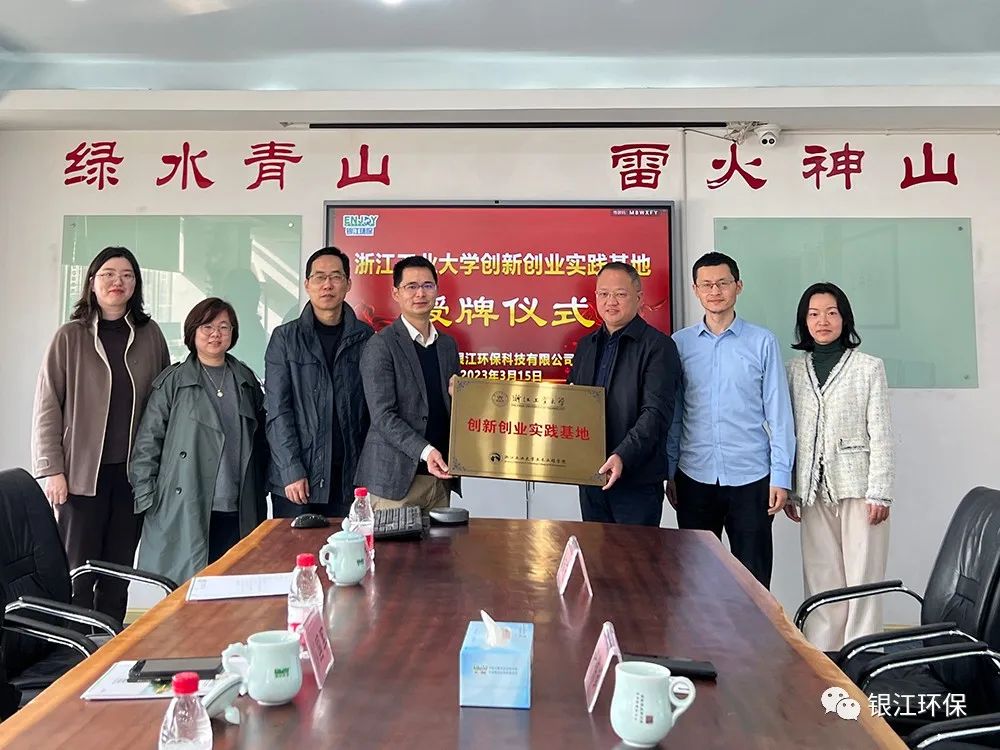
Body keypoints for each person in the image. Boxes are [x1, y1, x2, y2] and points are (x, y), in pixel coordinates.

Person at [31, 246, 171, 621]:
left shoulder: (150, 336)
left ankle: (110, 645)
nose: (117, 282)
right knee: (77, 573)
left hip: (131, 477)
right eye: (108, 274)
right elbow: (47, 405)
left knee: (118, 574)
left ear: (136, 284)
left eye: (126, 275)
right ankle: (71, 647)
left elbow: (164, 405)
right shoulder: (70, 337)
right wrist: (52, 469)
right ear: (92, 282)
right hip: (79, 478)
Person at [666, 252, 794, 588]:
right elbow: (676, 414)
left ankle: (753, 628)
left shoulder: (762, 342)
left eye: (723, 283)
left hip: (751, 477)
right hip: (694, 475)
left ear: (738, 286)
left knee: (753, 581)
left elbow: (779, 415)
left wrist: (781, 476)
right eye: (706, 284)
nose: (715, 291)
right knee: (695, 580)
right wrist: (670, 470)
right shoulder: (680, 344)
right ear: (695, 290)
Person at [783, 282, 893, 650]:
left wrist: (880, 492)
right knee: (821, 574)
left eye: (831, 313)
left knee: (863, 576)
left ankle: (863, 652)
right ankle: (825, 652)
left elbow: (882, 432)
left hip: (859, 487)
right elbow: (790, 431)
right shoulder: (794, 370)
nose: (823, 321)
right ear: (804, 322)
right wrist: (792, 491)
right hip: (812, 489)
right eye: (814, 314)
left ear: (844, 319)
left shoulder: (868, 367)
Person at [129, 298, 269, 585]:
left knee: (232, 587)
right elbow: (147, 443)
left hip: (237, 505)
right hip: (184, 506)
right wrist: (149, 499)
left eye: (224, 327)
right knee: (187, 590)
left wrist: (262, 486)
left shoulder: (245, 380)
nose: (215, 334)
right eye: (207, 326)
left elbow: (263, 441)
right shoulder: (173, 382)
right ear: (193, 331)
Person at [567, 262, 681, 526]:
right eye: (604, 294)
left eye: (620, 294)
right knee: (595, 550)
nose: (611, 302)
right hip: (592, 477)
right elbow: (573, 404)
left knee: (635, 553)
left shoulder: (659, 347)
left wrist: (622, 455)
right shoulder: (586, 345)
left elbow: (656, 414)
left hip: (636, 481)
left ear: (639, 298)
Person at [265, 247, 374, 518]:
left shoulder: (367, 338)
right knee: (295, 546)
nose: (327, 285)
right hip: (298, 481)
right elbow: (277, 410)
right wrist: (291, 470)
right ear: (307, 284)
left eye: (336, 277)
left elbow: (373, 411)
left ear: (348, 284)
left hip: (348, 480)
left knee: (350, 545)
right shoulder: (285, 338)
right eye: (319, 277)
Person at [355, 256, 460, 513]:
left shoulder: (447, 345)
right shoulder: (381, 345)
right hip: (395, 481)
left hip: (439, 479)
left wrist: (460, 398)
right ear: (396, 293)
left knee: (442, 542)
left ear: (437, 290)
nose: (420, 293)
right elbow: (383, 416)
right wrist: (426, 451)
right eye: (411, 286)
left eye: (427, 285)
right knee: (396, 543)